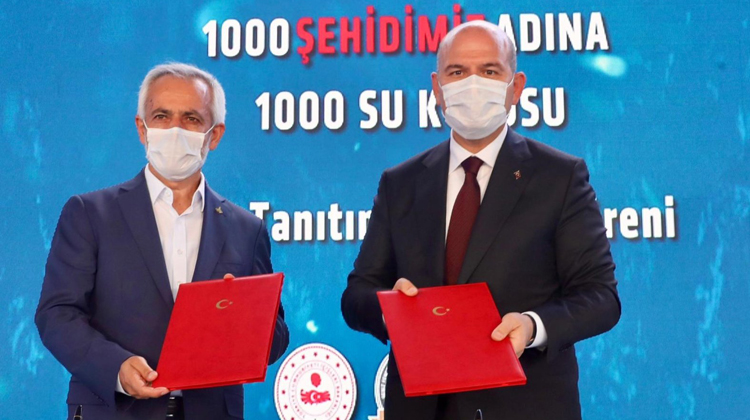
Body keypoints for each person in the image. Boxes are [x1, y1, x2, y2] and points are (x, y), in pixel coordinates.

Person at [341, 21, 620, 420]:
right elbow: (357, 294)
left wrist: (532, 326)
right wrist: (391, 311)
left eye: (489, 71)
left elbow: (600, 297)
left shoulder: (560, 178)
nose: (473, 84)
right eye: (457, 72)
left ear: (516, 86)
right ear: (437, 88)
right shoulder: (400, 184)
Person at [35, 62, 289, 420]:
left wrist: (244, 317)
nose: (175, 129)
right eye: (161, 116)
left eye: (191, 119)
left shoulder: (247, 230)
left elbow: (276, 338)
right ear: (142, 128)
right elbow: (56, 315)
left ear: (214, 135)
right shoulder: (89, 214)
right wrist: (116, 368)